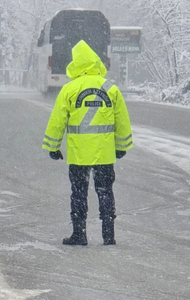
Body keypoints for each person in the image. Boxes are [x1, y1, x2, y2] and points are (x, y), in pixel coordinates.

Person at [42, 40, 133, 246]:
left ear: (76, 63)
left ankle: (79, 234)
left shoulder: (69, 89)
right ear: (95, 62)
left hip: (79, 154)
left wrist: (53, 146)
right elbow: (121, 120)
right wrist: (122, 146)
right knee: (105, 192)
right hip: (104, 153)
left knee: (79, 193)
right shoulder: (111, 88)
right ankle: (109, 235)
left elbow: (58, 120)